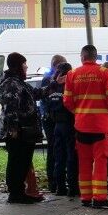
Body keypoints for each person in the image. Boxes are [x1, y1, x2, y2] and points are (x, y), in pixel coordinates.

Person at [63, 45, 108, 209]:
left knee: (84, 162)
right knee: (100, 162)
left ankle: (86, 197)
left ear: (82, 57)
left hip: (81, 125)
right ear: (96, 57)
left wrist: (79, 112)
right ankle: (100, 198)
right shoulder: (104, 73)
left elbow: (67, 101)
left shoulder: (72, 74)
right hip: (100, 125)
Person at [0, 52, 45, 204]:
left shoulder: (18, 81)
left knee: (22, 161)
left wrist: (53, 85)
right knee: (17, 162)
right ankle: (16, 193)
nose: (27, 66)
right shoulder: (12, 83)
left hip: (24, 130)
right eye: (24, 64)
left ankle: (19, 192)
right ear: (18, 66)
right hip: (19, 131)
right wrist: (13, 129)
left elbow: (34, 94)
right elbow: (11, 107)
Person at [44, 63, 78, 196]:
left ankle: (60, 187)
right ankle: (73, 188)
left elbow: (47, 105)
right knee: (71, 156)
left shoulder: (52, 87)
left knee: (59, 157)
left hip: (56, 125)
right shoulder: (68, 86)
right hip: (69, 124)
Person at [39, 53, 67, 192]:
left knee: (58, 150)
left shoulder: (56, 80)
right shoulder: (48, 81)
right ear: (55, 66)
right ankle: (53, 181)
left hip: (56, 119)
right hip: (51, 120)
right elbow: (45, 100)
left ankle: (57, 181)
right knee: (53, 150)